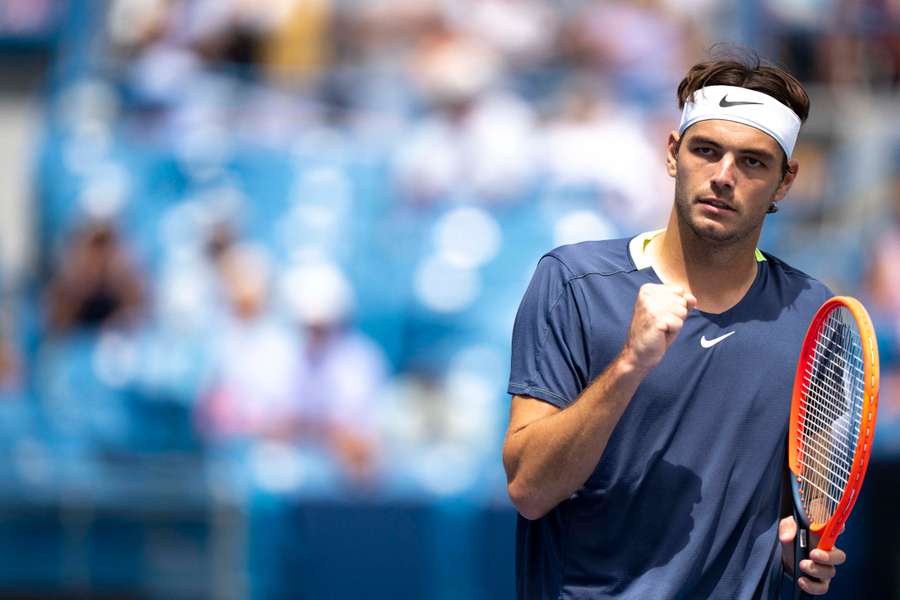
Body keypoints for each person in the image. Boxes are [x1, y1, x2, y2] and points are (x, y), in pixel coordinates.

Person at [502, 53, 848, 598]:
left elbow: (807, 515)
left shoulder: (815, 316)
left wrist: (798, 551)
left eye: (754, 162)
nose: (724, 177)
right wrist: (629, 366)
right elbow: (529, 489)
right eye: (706, 151)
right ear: (672, 153)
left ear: (785, 182)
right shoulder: (572, 283)